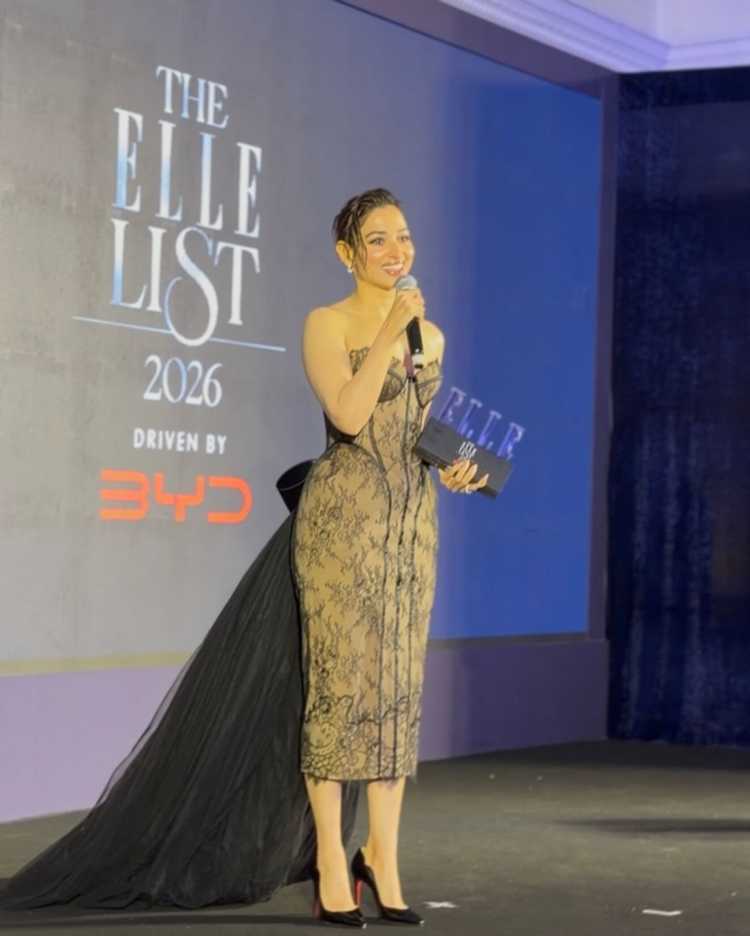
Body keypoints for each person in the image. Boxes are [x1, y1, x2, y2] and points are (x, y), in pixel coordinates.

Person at [0, 188, 486, 927]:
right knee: (338, 693)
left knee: (395, 695)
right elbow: (349, 414)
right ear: (347, 253)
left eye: (404, 237)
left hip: (411, 530)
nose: (397, 252)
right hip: (341, 526)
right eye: (379, 240)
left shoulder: (433, 336)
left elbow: (413, 430)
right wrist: (390, 328)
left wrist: (456, 467)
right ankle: (331, 862)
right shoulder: (327, 324)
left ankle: (382, 858)